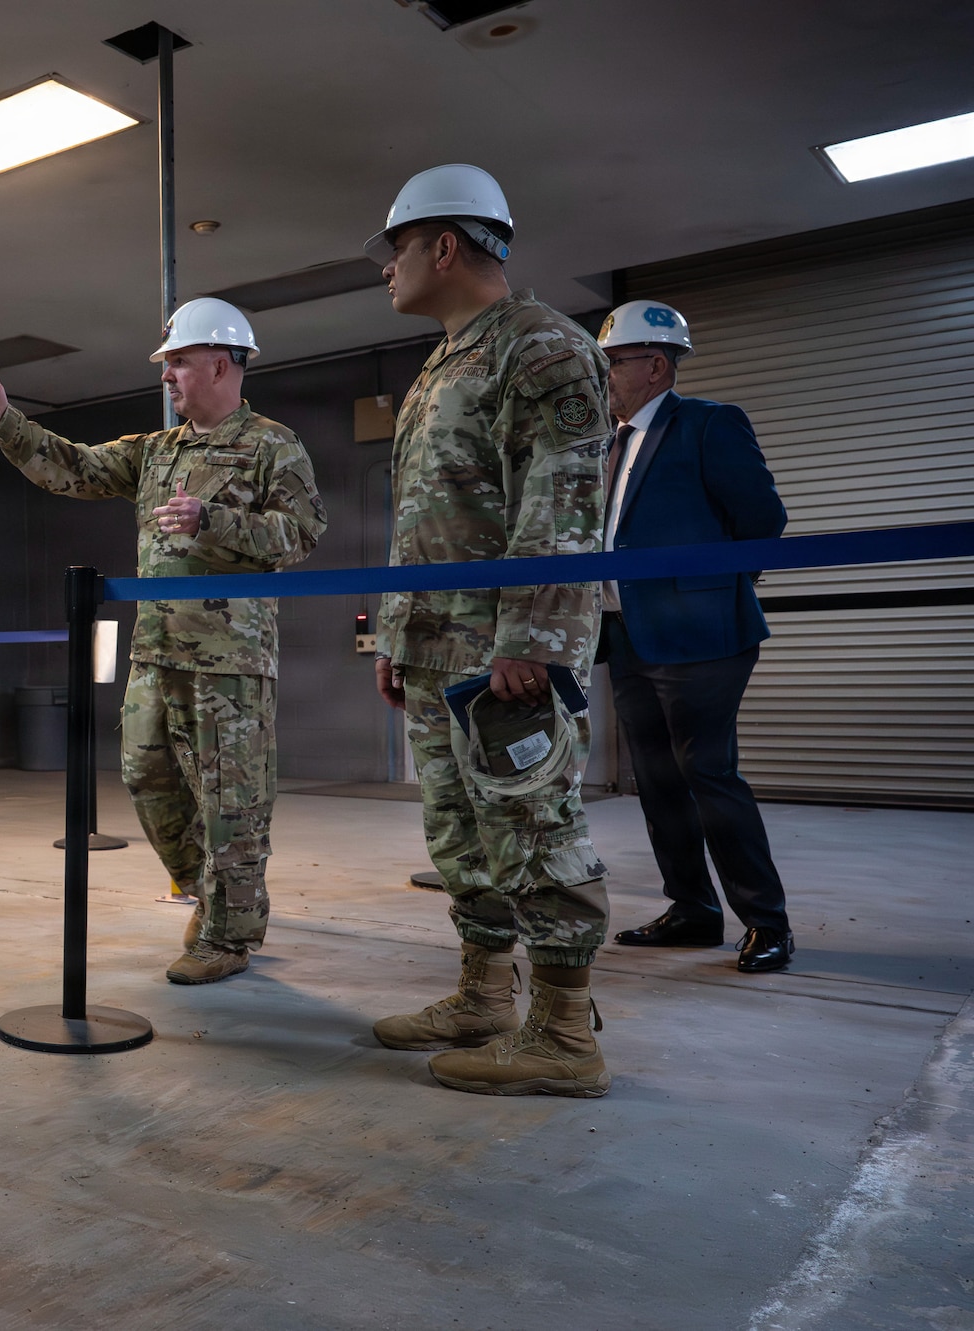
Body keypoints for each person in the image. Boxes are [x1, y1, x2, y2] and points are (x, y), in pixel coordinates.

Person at [0, 298, 325, 985]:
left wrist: (215, 521)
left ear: (220, 361)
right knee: (147, 777)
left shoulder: (272, 444)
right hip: (155, 654)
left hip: (230, 662)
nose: (169, 375)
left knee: (231, 801)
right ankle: (210, 893)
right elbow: (75, 467)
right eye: (167, 364)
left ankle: (230, 935)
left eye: (177, 362)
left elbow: (300, 535)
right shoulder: (156, 452)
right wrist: (6, 424)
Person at [363, 164, 616, 1096]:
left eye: (394, 249)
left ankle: (563, 1034)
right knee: (461, 833)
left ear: (443, 244)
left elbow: (563, 504)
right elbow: (422, 517)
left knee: (534, 825)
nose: (385, 269)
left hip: (503, 655)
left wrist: (536, 643)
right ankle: (482, 995)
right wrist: (397, 633)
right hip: (438, 650)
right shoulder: (443, 362)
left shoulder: (541, 349)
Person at [594, 301, 794, 973]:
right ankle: (693, 908)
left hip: (703, 637)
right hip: (626, 636)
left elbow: (762, 518)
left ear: (654, 366)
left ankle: (767, 922)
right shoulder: (607, 443)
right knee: (657, 781)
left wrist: (712, 594)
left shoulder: (708, 424)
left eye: (613, 364)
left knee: (708, 772)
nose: (605, 377)